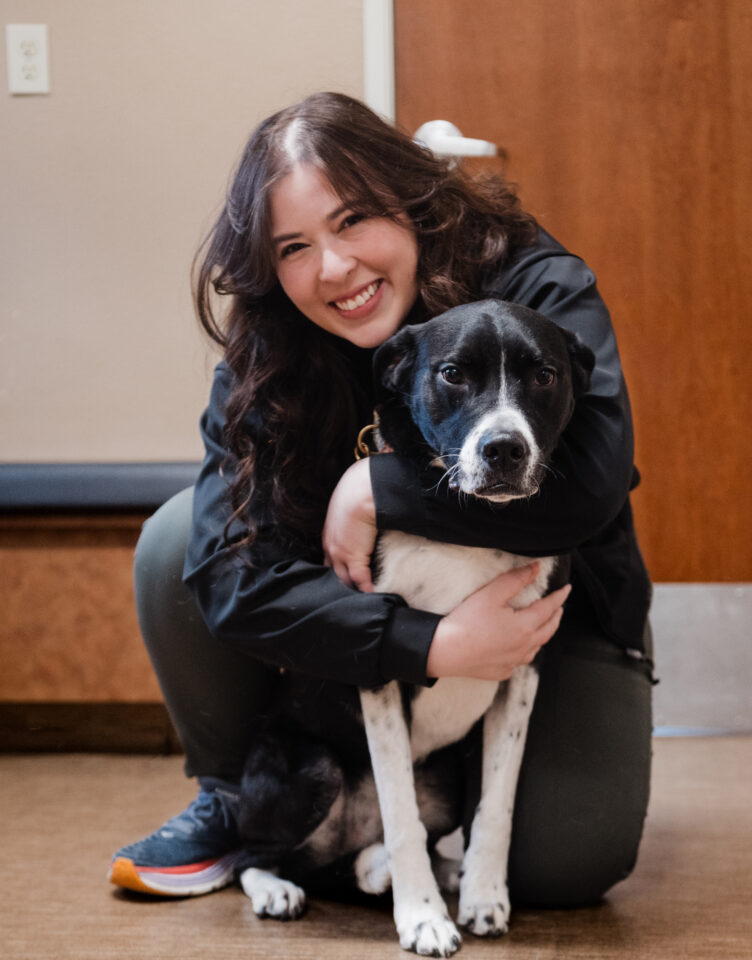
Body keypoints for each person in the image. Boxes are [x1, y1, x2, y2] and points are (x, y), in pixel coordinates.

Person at [109, 92, 654, 908]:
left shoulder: (534, 280)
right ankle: (240, 796)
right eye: (293, 246)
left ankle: (456, 806)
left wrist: (379, 487)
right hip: (378, 644)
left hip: (548, 619)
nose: (333, 268)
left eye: (353, 219)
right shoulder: (270, 347)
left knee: (564, 867)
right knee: (174, 539)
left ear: (413, 198)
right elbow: (234, 578)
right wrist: (425, 643)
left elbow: (592, 486)